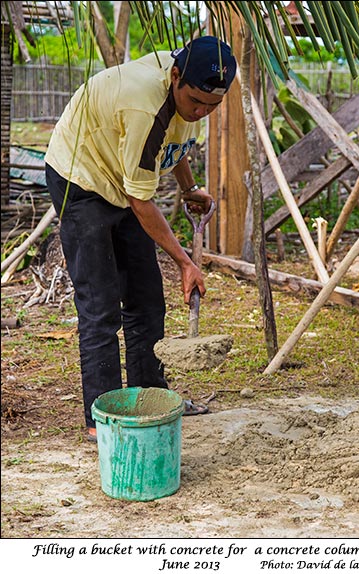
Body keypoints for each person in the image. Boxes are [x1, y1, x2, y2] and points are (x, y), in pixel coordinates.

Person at [45, 35, 237, 441]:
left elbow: (172, 139)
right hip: (82, 176)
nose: (202, 111)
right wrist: (185, 261)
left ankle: (150, 399)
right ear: (175, 76)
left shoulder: (188, 93)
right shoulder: (142, 103)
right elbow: (140, 198)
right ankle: (104, 418)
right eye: (196, 102)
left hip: (123, 179)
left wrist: (188, 188)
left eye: (212, 106)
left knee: (147, 299)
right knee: (100, 305)